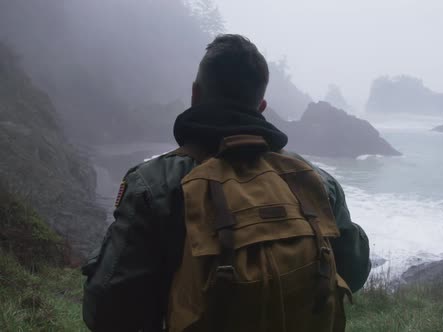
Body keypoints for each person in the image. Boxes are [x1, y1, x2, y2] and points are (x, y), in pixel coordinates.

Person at [82, 34, 371, 332]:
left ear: (195, 94)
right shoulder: (314, 181)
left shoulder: (152, 184)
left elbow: (106, 311)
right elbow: (356, 271)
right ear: (261, 106)